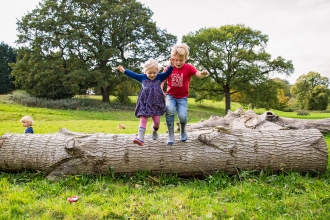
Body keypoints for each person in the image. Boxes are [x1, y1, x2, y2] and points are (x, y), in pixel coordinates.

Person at [117, 58, 174, 146]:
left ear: (157, 71)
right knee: (143, 119)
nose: (152, 75)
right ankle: (140, 137)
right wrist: (124, 71)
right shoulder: (142, 77)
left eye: (154, 73)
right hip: (145, 103)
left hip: (156, 103)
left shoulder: (160, 77)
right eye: (149, 73)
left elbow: (168, 72)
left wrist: (171, 64)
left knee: (157, 122)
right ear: (145, 72)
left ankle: (154, 130)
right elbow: (133, 75)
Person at [162, 43, 209, 145]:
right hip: (170, 95)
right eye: (176, 60)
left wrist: (203, 74)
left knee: (182, 116)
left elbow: (199, 74)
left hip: (182, 97)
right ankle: (171, 134)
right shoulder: (168, 68)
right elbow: (162, 79)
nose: (178, 63)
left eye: (181, 60)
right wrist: (160, 90)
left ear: (185, 59)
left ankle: (183, 129)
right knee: (169, 110)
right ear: (172, 59)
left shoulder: (189, 68)